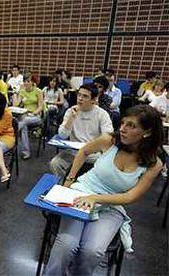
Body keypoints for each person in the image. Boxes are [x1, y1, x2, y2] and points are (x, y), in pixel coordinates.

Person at [43, 105, 163, 275]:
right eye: (123, 123)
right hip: (81, 193)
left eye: (131, 126)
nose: (122, 129)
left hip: (111, 206)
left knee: (92, 251)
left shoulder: (154, 163)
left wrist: (96, 199)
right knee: (67, 245)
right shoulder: (110, 140)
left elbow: (130, 196)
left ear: (147, 132)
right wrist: (69, 180)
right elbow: (84, 151)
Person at [50, 84, 113, 179]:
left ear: (94, 100)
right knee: (55, 163)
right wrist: (71, 119)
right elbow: (62, 135)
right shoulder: (70, 111)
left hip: (93, 153)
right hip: (73, 152)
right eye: (79, 95)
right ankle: (64, 185)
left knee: (105, 167)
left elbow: (107, 138)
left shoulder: (102, 114)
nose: (80, 98)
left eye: (85, 96)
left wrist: (92, 148)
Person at [13, 74, 44, 159]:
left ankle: (13, 130)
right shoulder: (22, 91)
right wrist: (16, 93)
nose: (25, 83)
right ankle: (26, 152)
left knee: (23, 121)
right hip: (24, 115)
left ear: (33, 82)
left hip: (36, 116)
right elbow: (16, 104)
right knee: (24, 126)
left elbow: (41, 106)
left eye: (28, 81)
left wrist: (34, 113)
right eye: (24, 81)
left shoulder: (38, 91)